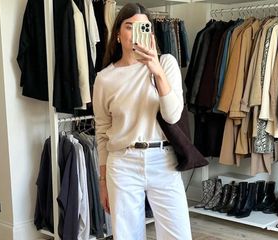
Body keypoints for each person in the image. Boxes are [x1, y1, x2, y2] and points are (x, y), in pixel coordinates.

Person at [92, 3, 192, 240]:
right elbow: (102, 131)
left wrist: (156, 71)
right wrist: (102, 181)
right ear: (118, 34)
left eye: (143, 27)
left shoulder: (166, 63)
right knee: (127, 236)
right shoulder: (105, 79)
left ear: (151, 34)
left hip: (164, 161)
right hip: (123, 163)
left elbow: (172, 115)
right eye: (129, 26)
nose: (136, 32)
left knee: (178, 235)